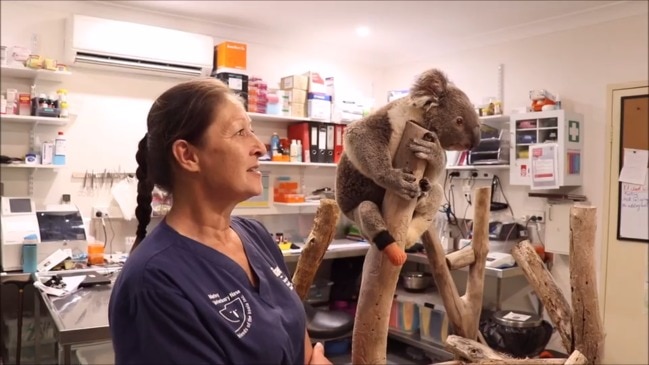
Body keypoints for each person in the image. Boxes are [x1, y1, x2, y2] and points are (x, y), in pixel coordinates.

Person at [108, 78, 332, 365]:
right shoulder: (154, 280)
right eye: (240, 132)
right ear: (188, 155)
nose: (260, 147)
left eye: (252, 131)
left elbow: (294, 328)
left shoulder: (255, 234)